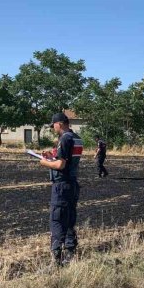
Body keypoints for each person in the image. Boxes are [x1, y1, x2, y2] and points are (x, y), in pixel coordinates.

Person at [39, 113, 83, 265]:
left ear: (60, 123)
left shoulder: (64, 138)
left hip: (61, 186)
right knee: (70, 219)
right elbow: (67, 158)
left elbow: (60, 165)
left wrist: (44, 162)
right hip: (73, 184)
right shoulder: (77, 138)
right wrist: (52, 155)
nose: (53, 128)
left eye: (54, 125)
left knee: (57, 220)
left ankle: (56, 261)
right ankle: (70, 255)